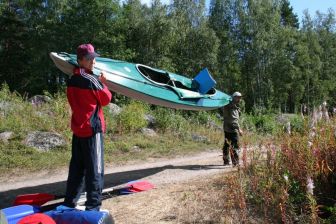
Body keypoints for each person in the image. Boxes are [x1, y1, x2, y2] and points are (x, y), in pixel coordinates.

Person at [64, 43, 112, 211]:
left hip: (78, 129)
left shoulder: (71, 79)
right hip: (92, 130)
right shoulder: (91, 79)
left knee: (77, 168)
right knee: (95, 170)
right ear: (80, 60)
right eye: (89, 58)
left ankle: (69, 203)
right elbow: (106, 99)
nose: (93, 61)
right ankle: (93, 207)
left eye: (94, 58)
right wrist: (104, 83)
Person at [222, 91, 243, 166]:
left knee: (227, 145)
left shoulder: (232, 106)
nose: (239, 99)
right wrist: (239, 129)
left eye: (240, 98)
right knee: (235, 145)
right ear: (233, 97)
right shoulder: (230, 106)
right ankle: (235, 162)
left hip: (226, 128)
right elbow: (233, 120)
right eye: (237, 97)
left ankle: (226, 161)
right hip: (232, 129)